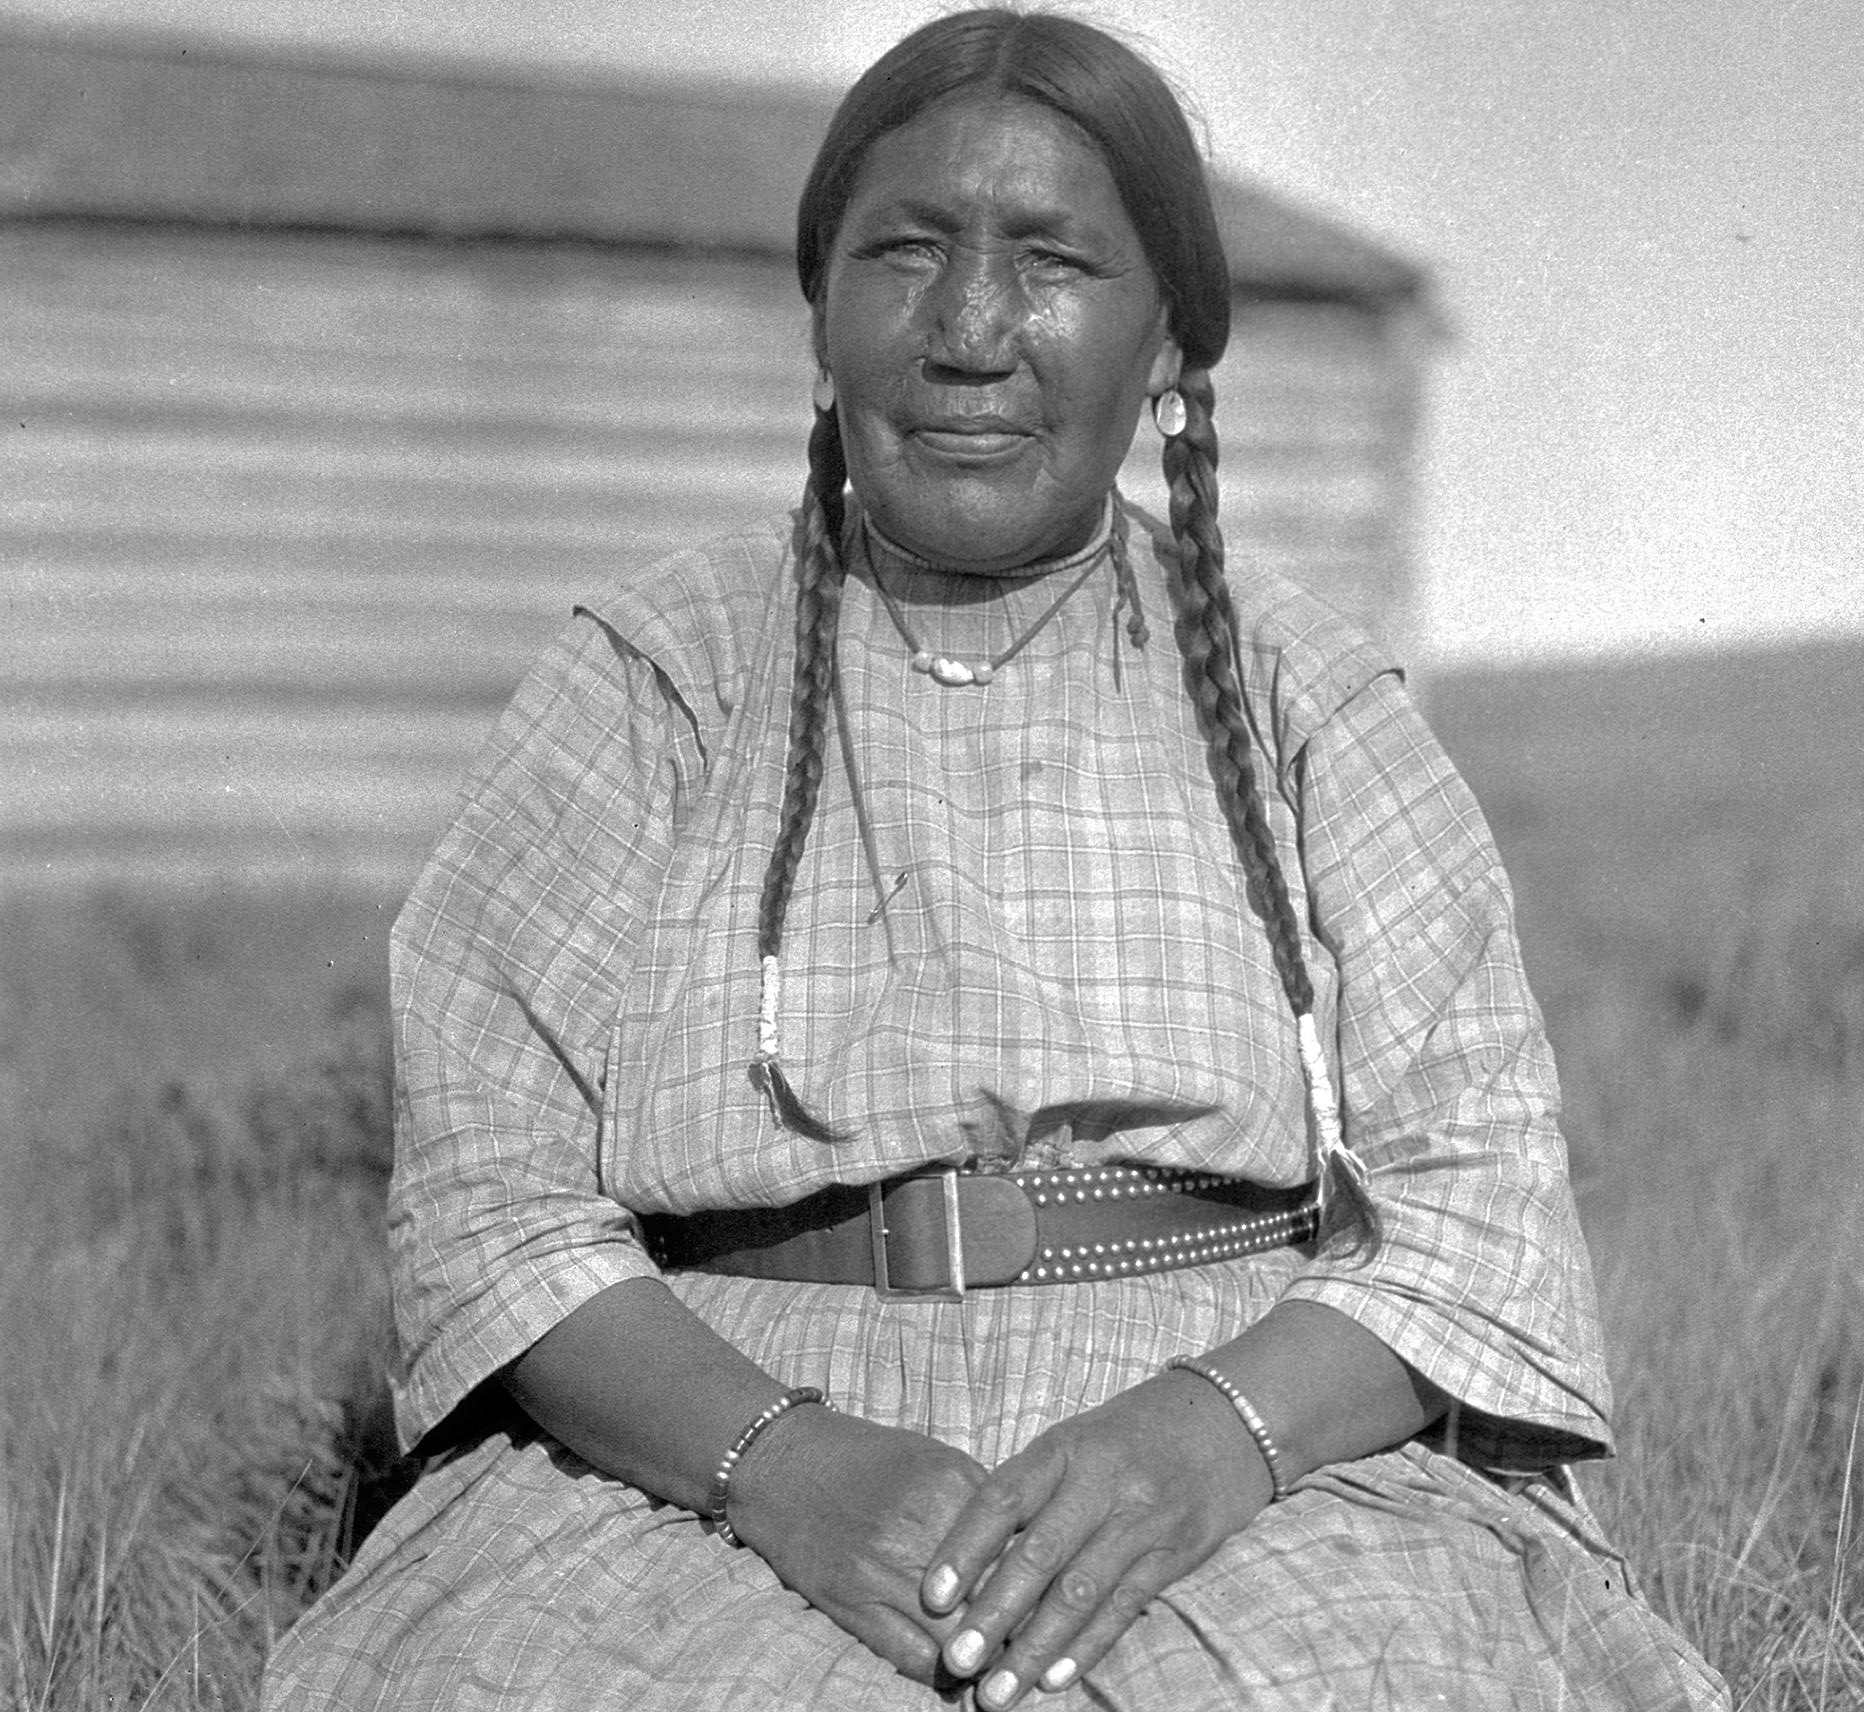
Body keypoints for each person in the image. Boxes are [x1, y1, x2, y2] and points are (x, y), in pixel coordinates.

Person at [264, 10, 1728, 1709]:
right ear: (823, 316)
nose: (966, 332)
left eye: (1049, 262)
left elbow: (1476, 1202)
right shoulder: (651, 679)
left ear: (1169, 335)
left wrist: (1208, 1441)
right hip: (704, 1445)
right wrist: (785, 1468)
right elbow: (492, 1204)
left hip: (1228, 1434)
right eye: (902, 253)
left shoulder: (1300, 695)